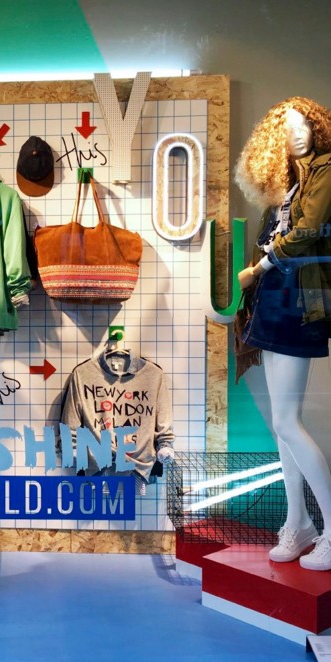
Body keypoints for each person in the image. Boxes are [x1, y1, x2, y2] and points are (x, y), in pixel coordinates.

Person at [235, 96, 331, 571]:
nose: (296, 133)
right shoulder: (290, 182)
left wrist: (257, 269)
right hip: (275, 300)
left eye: (304, 125)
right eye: (288, 127)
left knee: (289, 421)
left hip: (300, 299)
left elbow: (308, 231)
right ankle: (299, 523)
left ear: (318, 128)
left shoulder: (326, 170)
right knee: (281, 422)